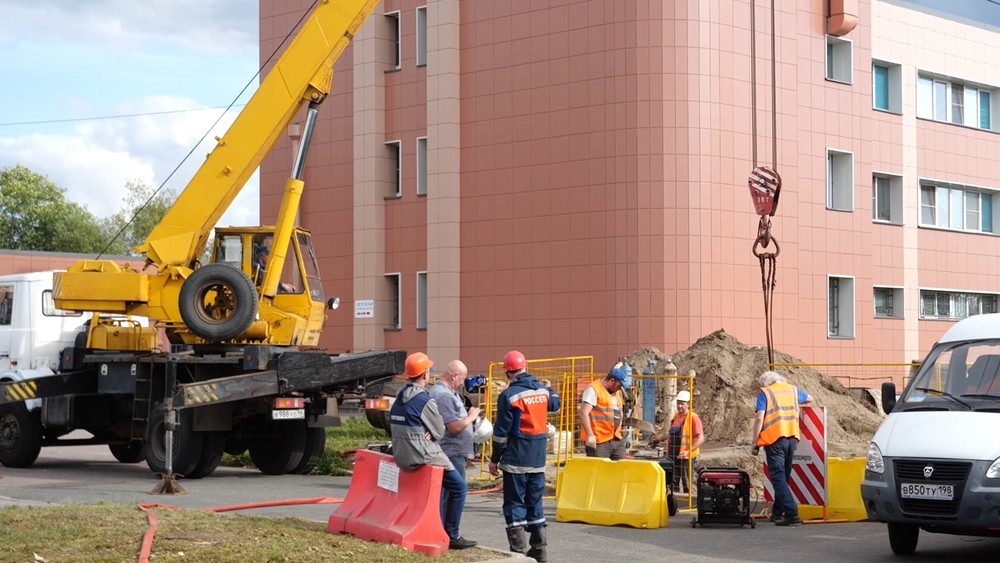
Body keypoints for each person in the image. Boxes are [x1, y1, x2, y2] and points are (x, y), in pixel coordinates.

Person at [390, 352, 477, 550]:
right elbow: (439, 430)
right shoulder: (424, 399)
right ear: (425, 374)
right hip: (421, 453)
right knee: (459, 488)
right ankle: (452, 535)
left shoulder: (400, 396)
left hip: (401, 452)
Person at [489, 350, 561, 563]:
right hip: (538, 459)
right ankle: (540, 550)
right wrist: (550, 388)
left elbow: (501, 433)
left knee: (514, 504)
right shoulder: (542, 390)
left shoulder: (509, 396)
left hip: (516, 458)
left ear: (507, 372)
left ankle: (518, 553)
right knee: (535, 503)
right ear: (525, 366)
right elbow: (555, 405)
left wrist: (494, 459)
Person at [751, 370, 814, 526]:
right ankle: (778, 513)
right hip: (792, 438)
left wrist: (755, 442)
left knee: (778, 477)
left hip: (774, 439)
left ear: (766, 383)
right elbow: (810, 398)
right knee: (783, 476)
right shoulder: (792, 389)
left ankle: (792, 513)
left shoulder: (765, 392)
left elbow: (760, 418)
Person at [429, 360, 481, 518]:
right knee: (453, 494)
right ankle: (448, 532)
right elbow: (454, 427)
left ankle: (446, 531)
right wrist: (471, 418)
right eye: (462, 379)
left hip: (454, 452)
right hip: (451, 452)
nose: (462, 383)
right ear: (454, 376)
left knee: (449, 495)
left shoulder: (447, 392)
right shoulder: (444, 396)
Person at [579, 368, 629, 460]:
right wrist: (590, 435)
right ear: (612, 381)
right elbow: (583, 413)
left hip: (616, 438)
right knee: (599, 470)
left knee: (621, 468)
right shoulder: (593, 389)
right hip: (599, 441)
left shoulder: (615, 391)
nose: (620, 388)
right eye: (619, 385)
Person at [667, 390, 704, 493]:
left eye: (682, 404)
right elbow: (671, 434)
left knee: (686, 482)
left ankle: (689, 504)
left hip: (686, 456)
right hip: (674, 455)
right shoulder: (676, 417)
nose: (679, 406)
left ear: (688, 404)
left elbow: (700, 439)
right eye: (678, 403)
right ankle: (676, 503)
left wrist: (688, 451)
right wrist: (658, 439)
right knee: (673, 481)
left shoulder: (693, 418)